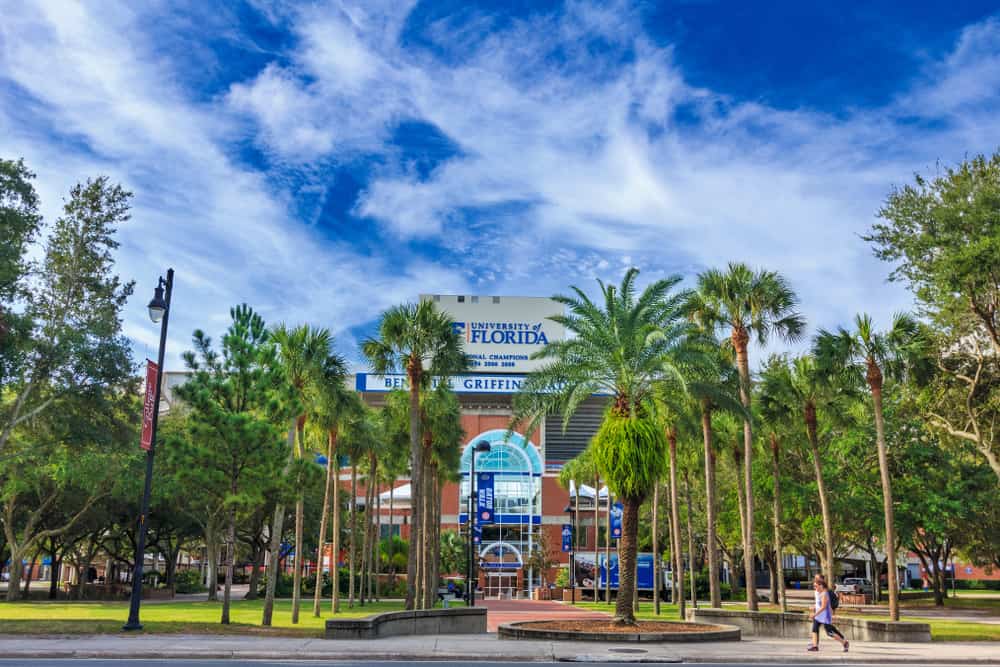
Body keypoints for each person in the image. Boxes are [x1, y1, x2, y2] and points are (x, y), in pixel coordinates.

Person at [808, 575, 848, 652]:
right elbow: (819, 604)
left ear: (821, 586)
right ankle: (815, 646)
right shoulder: (819, 593)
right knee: (814, 629)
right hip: (819, 615)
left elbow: (823, 607)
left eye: (816, 586)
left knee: (829, 632)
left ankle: (844, 642)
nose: (814, 588)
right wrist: (814, 608)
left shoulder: (824, 594)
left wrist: (814, 614)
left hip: (825, 616)